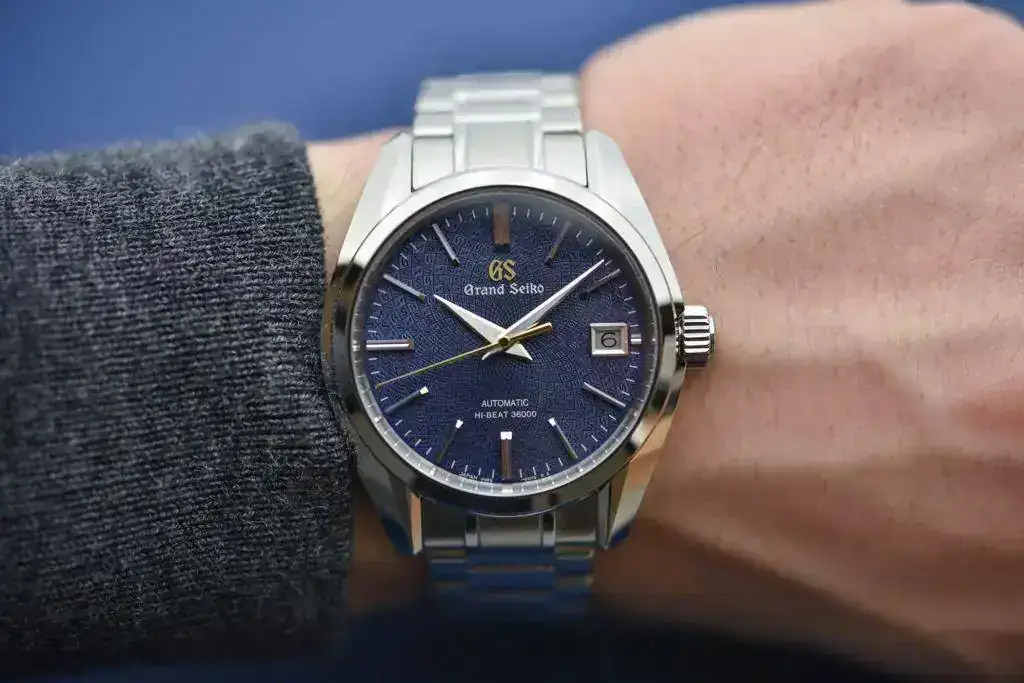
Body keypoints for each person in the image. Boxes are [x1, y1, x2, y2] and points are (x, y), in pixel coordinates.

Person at [2, 0, 1022, 679]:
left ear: (682, 336)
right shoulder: (375, 337)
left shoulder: (642, 343)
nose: (502, 341)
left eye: (514, 331)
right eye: (496, 332)